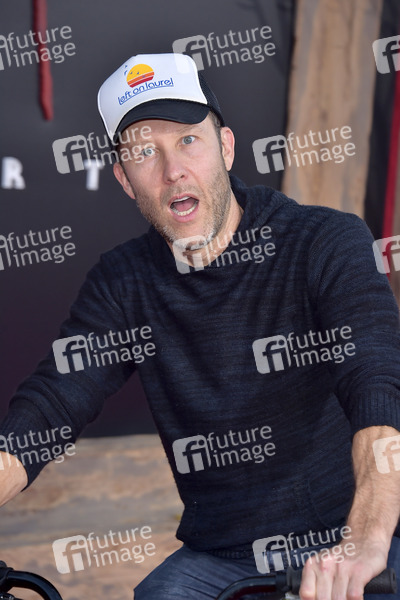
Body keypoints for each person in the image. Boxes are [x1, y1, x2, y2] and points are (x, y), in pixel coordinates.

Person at [1, 52, 400, 600]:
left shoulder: (324, 241)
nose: (173, 171)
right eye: (145, 152)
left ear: (226, 147)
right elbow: (52, 404)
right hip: (220, 558)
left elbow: (378, 382)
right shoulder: (123, 282)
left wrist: (366, 540)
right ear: (124, 180)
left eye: (188, 139)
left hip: (357, 535)